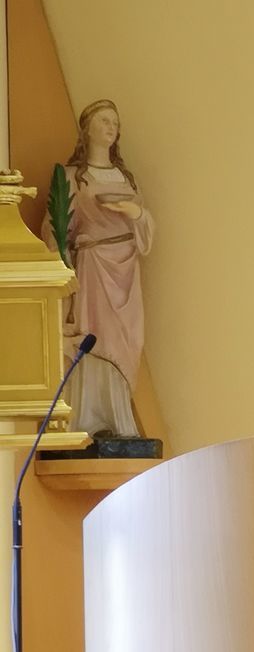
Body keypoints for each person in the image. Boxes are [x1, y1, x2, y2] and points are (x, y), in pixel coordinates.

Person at [42, 99, 155, 438]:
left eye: (115, 123)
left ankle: (120, 420)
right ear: (87, 128)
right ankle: (89, 420)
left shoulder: (125, 177)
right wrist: (63, 259)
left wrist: (133, 213)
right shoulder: (74, 177)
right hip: (93, 267)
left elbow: (146, 225)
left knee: (126, 340)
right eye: (105, 120)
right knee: (93, 337)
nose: (111, 127)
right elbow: (56, 226)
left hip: (125, 269)